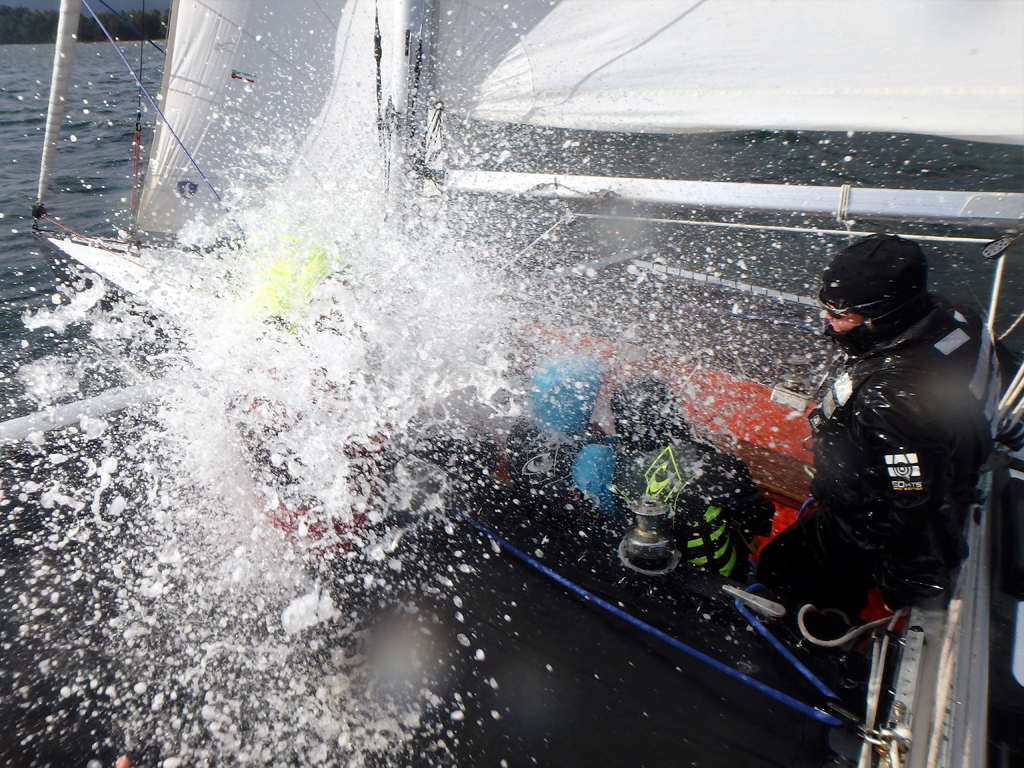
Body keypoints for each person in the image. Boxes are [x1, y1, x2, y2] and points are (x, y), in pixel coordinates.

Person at [757, 234, 1003, 614]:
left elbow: (915, 498)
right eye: (826, 308)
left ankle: (813, 624)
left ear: (884, 317)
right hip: (947, 468)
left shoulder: (890, 401)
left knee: (779, 566)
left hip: (864, 528)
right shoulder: (959, 320)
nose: (828, 321)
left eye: (840, 314)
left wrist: (914, 579)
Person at [608, 378, 775, 579]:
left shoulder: (619, 468)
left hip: (647, 570)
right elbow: (763, 518)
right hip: (712, 580)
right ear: (672, 413)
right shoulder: (707, 465)